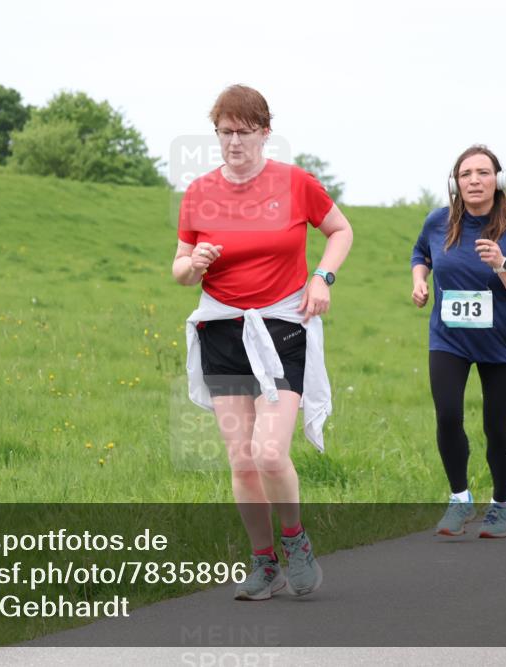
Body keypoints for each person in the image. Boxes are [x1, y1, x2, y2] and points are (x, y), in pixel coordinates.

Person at [173, 84, 353, 600]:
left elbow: (340, 230)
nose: (233, 143)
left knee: (270, 453)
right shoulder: (200, 192)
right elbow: (180, 269)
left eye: (243, 132)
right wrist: (194, 265)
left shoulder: (295, 183)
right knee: (241, 460)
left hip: (281, 328)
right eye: (224, 133)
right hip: (223, 331)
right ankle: (263, 562)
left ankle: (295, 542)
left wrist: (322, 278)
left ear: (265, 132)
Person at [411, 144, 506, 538]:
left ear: (498, 181)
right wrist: (419, 280)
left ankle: (501, 505)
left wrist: (502, 263)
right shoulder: (439, 221)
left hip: (500, 341)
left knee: (496, 426)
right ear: (455, 182)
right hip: (449, 338)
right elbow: (421, 253)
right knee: (448, 415)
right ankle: (459, 499)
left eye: (483, 173)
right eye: (466, 174)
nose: (474, 181)